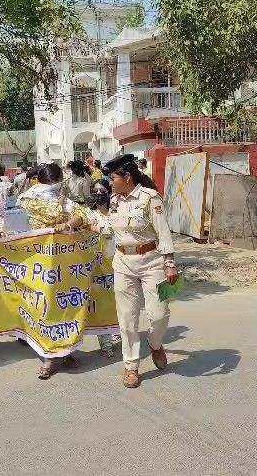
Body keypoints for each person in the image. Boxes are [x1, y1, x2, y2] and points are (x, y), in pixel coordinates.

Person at [100, 154, 178, 389]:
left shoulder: (149, 199)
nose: (110, 182)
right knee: (127, 319)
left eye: (113, 178)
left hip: (153, 262)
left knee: (160, 314)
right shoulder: (114, 200)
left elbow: (163, 231)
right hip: (123, 263)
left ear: (127, 176)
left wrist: (170, 263)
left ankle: (155, 344)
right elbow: (108, 229)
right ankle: (131, 366)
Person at [17, 163, 91, 379]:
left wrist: (71, 220)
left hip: (66, 261)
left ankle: (67, 351)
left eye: (54, 183)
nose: (52, 186)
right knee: (45, 308)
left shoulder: (64, 199)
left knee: (67, 306)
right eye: (49, 183)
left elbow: (84, 215)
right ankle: (49, 358)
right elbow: (51, 217)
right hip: (39, 264)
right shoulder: (28, 199)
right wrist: (63, 210)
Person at [89, 180, 122, 358]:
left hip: (119, 264)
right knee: (101, 304)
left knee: (118, 302)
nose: (99, 194)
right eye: (96, 191)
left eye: (103, 190)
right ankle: (106, 343)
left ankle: (117, 328)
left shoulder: (117, 213)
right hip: (98, 267)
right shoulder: (87, 215)